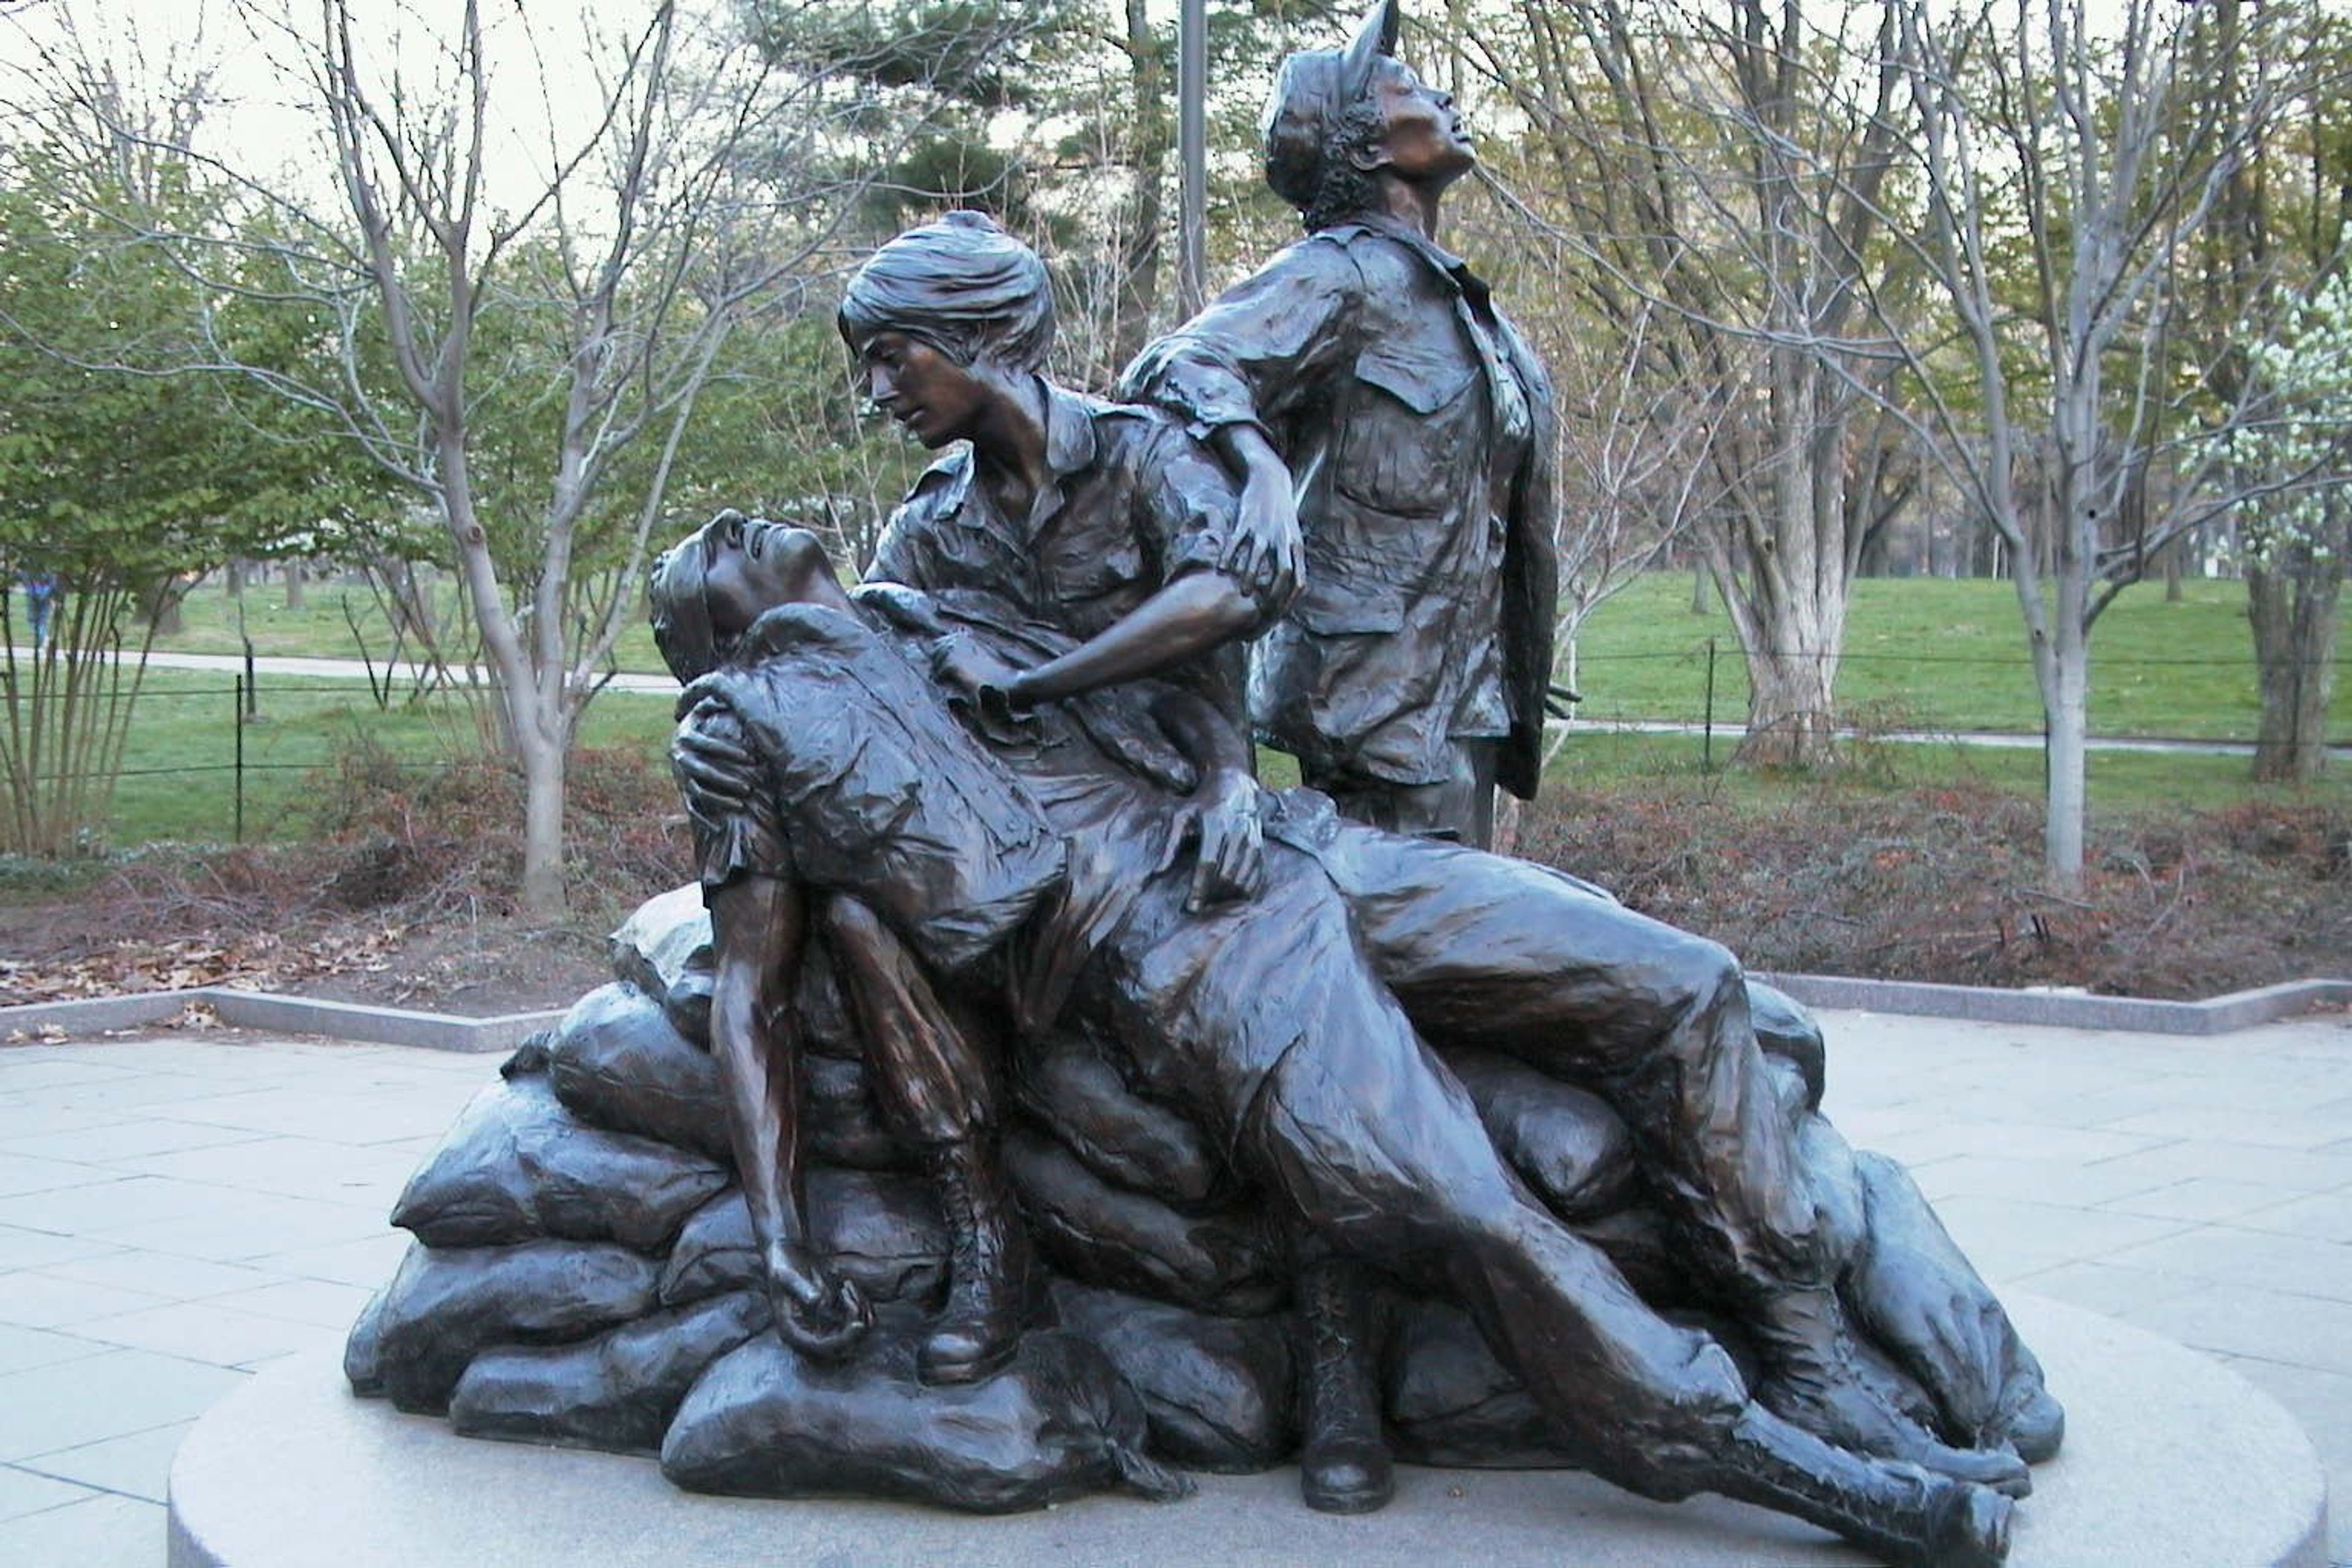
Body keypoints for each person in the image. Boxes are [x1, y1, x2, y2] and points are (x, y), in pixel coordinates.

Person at [649, 514, 2019, 1568]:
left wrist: (1231, 773)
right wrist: (783, 1235)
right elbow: (752, 996)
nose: (744, 529)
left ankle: (1810, 1354)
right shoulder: (738, 728)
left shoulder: (932, 607)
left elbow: (1179, 678)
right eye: (711, 552)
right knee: (1468, 1206)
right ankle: (1812, 1475)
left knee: (1685, 984)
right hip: (1180, 948)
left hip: (1302, 849)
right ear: (709, 638)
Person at [1121, 0, 1555, 850]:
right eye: (1412, 88)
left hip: (1466, 690)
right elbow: (1176, 367)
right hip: (1376, 701)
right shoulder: (1338, 277)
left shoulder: (1462, 308)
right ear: (1367, 146)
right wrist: (1261, 470)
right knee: (1415, 951)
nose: (1445, 97)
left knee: (1459, 953)